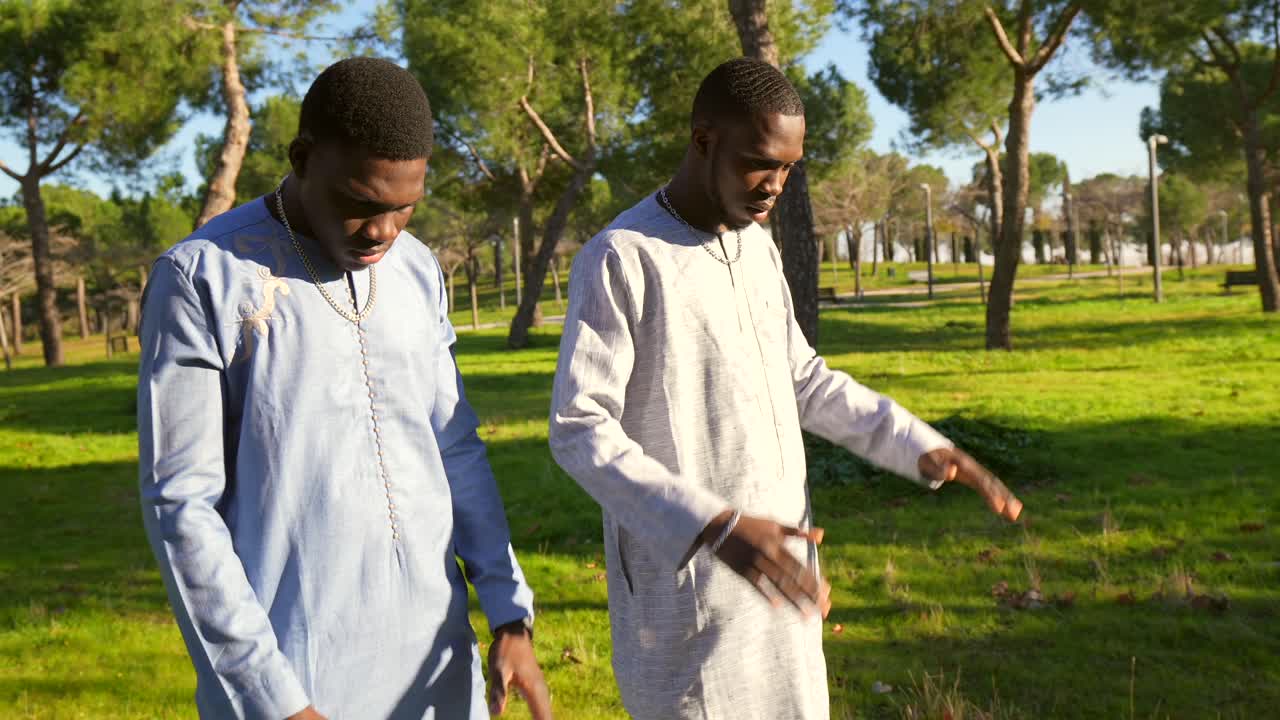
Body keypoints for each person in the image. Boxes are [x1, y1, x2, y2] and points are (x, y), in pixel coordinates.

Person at [548, 57, 1022, 720]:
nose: (775, 185)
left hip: (782, 580)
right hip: (689, 599)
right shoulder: (622, 257)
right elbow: (580, 429)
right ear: (703, 140)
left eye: (789, 168)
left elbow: (803, 378)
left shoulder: (756, 247)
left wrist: (918, 444)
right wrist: (716, 527)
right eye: (759, 164)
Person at [138, 57, 551, 720]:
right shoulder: (204, 279)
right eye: (360, 204)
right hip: (296, 674)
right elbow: (182, 505)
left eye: (404, 207)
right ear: (303, 158)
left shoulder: (416, 269)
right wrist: (272, 699)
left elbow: (454, 448)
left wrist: (508, 611)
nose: (383, 232)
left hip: (437, 666)